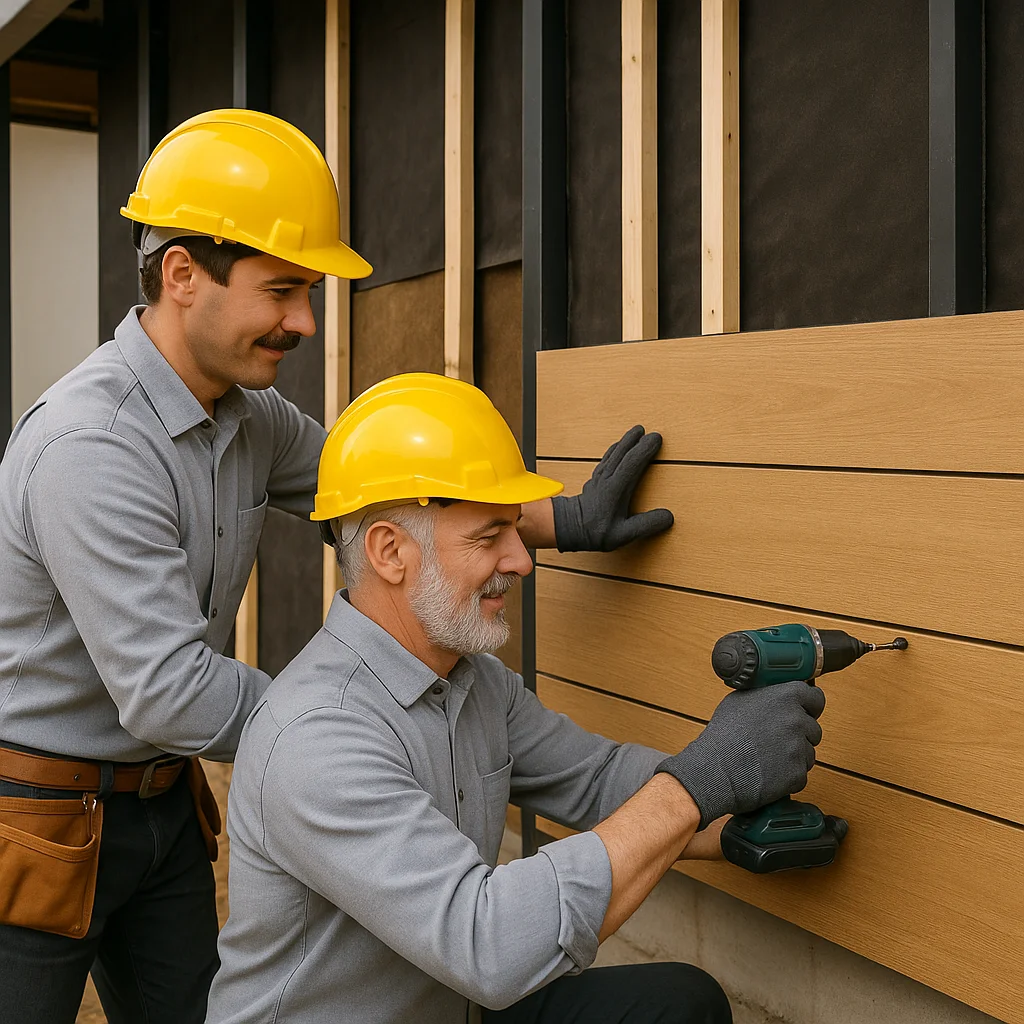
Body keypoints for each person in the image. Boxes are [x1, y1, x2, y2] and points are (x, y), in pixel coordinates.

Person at [0, 111, 671, 1024]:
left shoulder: (248, 414)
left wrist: (560, 520)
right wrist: (341, 732)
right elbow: (166, 692)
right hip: (36, 819)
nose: (305, 322)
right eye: (282, 291)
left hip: (160, 804)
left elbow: (378, 497)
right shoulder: (92, 448)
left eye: (308, 292)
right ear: (183, 274)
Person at [206, 373, 826, 1024]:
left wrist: (734, 822)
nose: (522, 561)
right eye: (488, 536)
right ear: (391, 551)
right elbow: (489, 946)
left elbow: (598, 782)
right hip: (458, 977)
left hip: (448, 1001)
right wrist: (701, 782)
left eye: (515, 530)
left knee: (678, 1004)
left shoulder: (475, 683)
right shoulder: (317, 737)